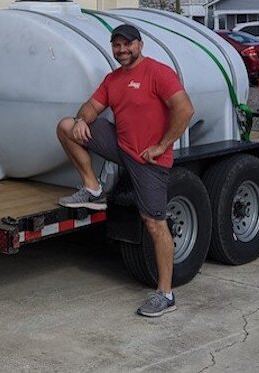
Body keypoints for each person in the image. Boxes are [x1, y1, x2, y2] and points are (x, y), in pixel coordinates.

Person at [56, 24, 194, 318]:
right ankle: (93, 188)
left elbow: (185, 109)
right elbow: (92, 106)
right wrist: (83, 119)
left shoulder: (158, 72)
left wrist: (162, 145)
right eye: (116, 45)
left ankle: (166, 294)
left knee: (154, 224)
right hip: (122, 146)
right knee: (67, 127)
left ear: (140, 45)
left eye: (127, 44)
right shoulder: (113, 79)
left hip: (149, 159)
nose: (122, 50)